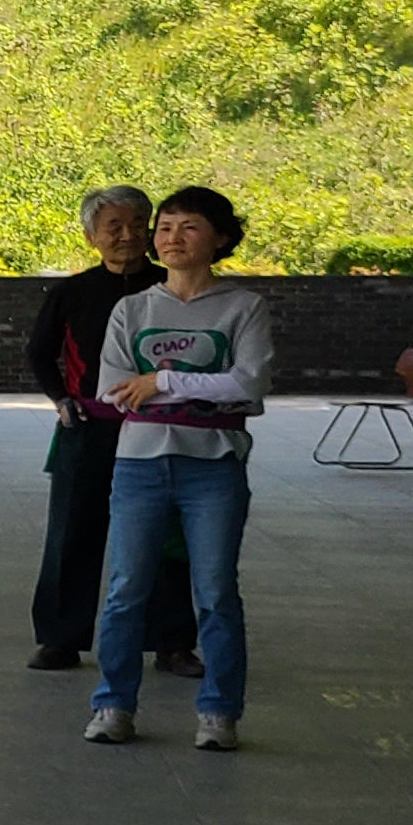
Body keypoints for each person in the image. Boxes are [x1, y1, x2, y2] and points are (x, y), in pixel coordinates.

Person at [87, 185, 271, 751]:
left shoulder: (243, 307)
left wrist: (162, 381)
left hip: (213, 466)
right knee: (125, 590)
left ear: (219, 238)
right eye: (164, 227)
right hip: (139, 463)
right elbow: (115, 390)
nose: (172, 238)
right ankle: (113, 704)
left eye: (188, 227)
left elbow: (249, 384)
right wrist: (204, 390)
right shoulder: (133, 309)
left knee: (215, 592)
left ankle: (219, 712)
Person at [25, 186, 197, 673]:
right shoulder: (71, 292)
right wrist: (61, 400)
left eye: (137, 225)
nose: (127, 235)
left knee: (167, 534)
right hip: (89, 427)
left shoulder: (173, 287)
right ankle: (60, 638)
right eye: (113, 227)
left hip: (162, 426)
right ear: (91, 236)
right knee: (73, 532)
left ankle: (172, 642)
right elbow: (39, 352)